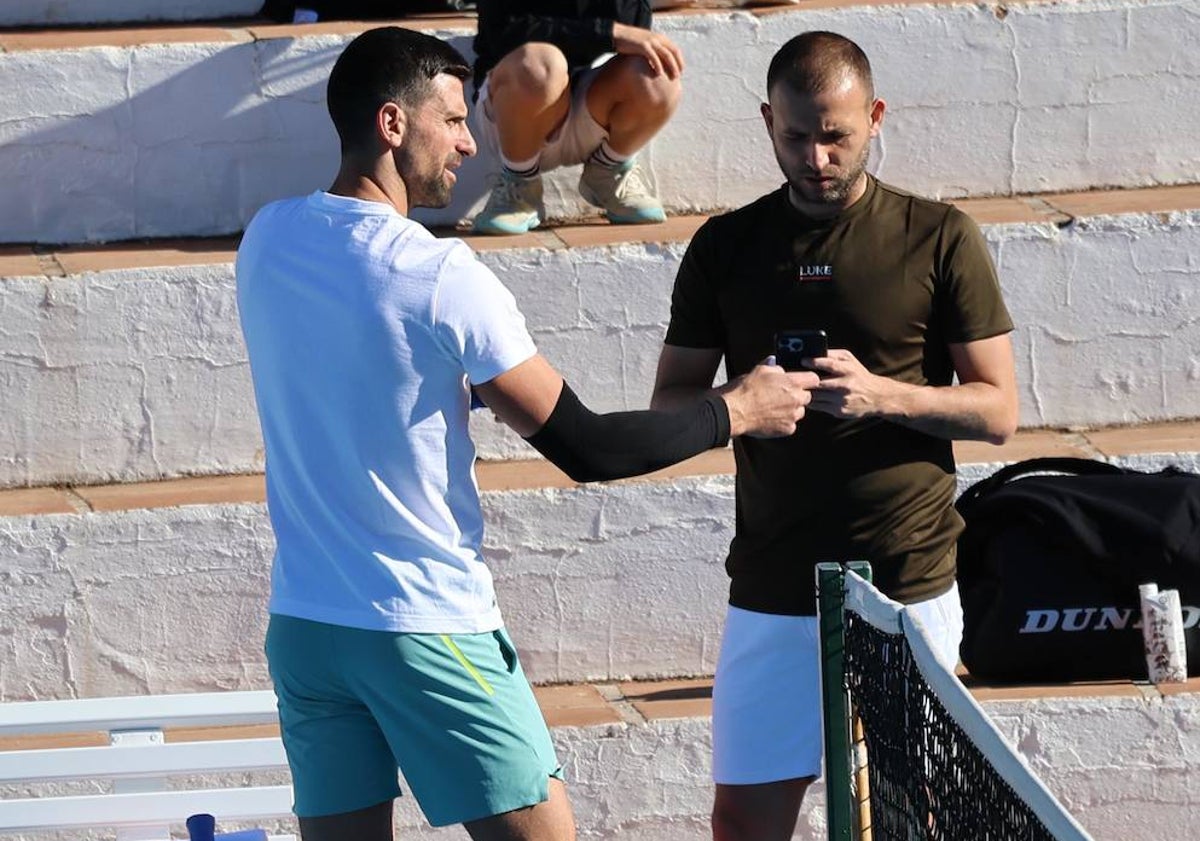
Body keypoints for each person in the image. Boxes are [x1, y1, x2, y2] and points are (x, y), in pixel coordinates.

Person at [236, 26, 815, 841]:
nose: (472, 144)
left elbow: (361, 368)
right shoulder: (439, 276)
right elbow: (589, 446)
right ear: (392, 125)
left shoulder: (267, 240)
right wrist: (738, 409)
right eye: (452, 121)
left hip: (307, 629)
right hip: (427, 626)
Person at [649, 30, 1020, 841]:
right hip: (774, 578)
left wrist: (883, 395)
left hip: (907, 580)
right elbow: (671, 399)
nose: (816, 157)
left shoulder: (939, 235)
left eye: (836, 136)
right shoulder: (726, 245)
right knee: (742, 817)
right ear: (766, 122)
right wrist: (742, 402)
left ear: (875, 117)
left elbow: (998, 411)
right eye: (795, 136)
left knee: (904, 816)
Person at [470, 0, 684, 234]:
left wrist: (611, 32)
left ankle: (608, 170)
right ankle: (519, 184)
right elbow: (506, 33)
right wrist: (608, 33)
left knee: (657, 74)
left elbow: (634, 27)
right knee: (541, 65)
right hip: (514, 111)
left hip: (588, 103)